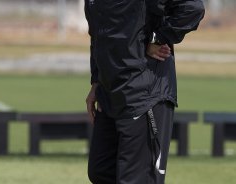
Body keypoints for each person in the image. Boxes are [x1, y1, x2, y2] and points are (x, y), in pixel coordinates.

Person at [84, 0, 205, 184]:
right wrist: (96, 81)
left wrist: (158, 38)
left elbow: (192, 8)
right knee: (101, 172)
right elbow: (98, 35)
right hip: (110, 94)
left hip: (145, 94)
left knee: (137, 179)